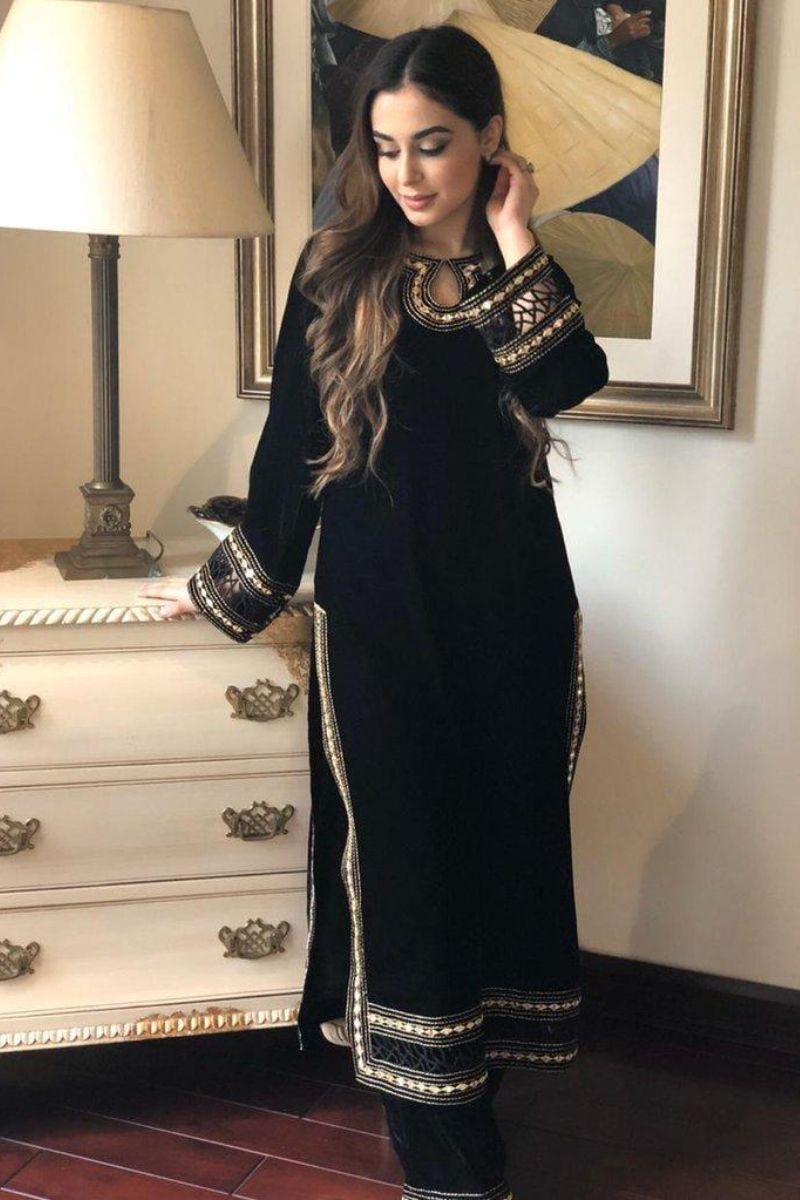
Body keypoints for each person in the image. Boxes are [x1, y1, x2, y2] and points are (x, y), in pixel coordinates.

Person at [136, 23, 608, 1200]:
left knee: (500, 846)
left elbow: (564, 382)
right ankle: (444, 1157)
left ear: (488, 138)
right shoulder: (336, 269)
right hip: (381, 624)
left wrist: (512, 232)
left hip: (512, 620)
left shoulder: (515, 279)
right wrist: (228, 586)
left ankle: (471, 1095)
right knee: (401, 862)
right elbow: (293, 450)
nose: (405, 172)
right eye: (387, 147)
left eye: (433, 144)